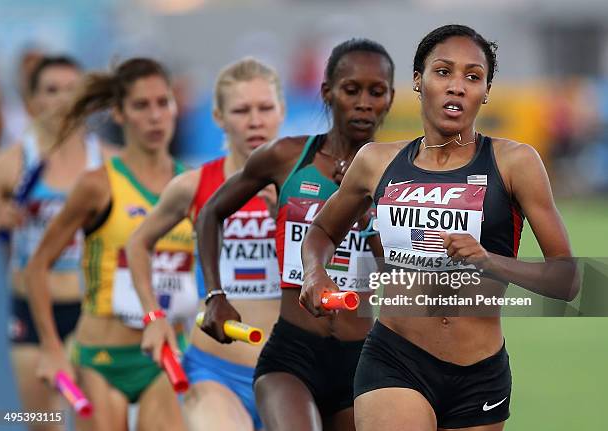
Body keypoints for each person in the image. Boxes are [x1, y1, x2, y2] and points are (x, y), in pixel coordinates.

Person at [299, 24, 579, 431]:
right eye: (443, 71)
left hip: (479, 374)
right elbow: (322, 232)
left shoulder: (516, 163)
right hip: (394, 360)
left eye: (473, 76)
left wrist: (490, 261)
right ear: (418, 81)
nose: (457, 87)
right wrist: (315, 271)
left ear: (485, 91)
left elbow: (567, 279)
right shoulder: (376, 161)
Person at [196, 39, 395, 431]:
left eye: (377, 92)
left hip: (362, 359)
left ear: (391, 97)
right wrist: (216, 294)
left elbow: (397, 272)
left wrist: (365, 206)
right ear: (327, 92)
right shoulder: (286, 157)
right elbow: (210, 213)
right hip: (292, 354)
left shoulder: (401, 172)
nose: (364, 103)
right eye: (351, 90)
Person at [25, 58, 191, 431]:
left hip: (162, 357)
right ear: (119, 113)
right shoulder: (98, 185)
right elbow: (37, 266)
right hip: (102, 358)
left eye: (163, 103)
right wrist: (52, 347)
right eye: (140, 105)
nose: (154, 117)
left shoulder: (190, 184)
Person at [126, 57, 285, 431]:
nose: (254, 121)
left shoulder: (310, 187)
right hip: (216, 371)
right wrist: (153, 317)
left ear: (282, 111)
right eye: (241, 110)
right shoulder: (194, 185)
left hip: (292, 371)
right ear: (218, 116)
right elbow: (137, 244)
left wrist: (289, 214)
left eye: (265, 108)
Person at [0, 55, 115, 430]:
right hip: (31, 314)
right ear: (32, 103)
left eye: (72, 90)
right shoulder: (11, 163)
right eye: (52, 90)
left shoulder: (108, 164)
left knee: (94, 421)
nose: (64, 99)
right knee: (40, 421)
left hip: (90, 311)